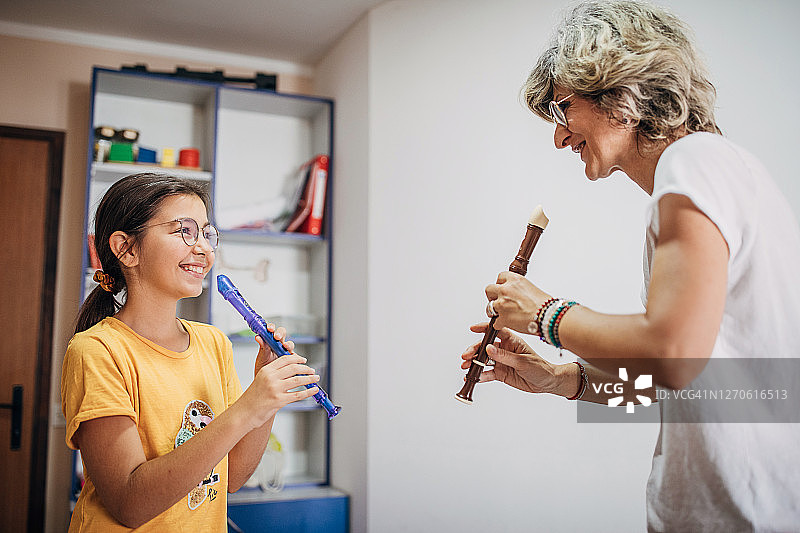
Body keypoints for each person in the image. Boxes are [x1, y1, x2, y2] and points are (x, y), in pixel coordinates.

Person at [460, 1, 800, 530]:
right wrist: (561, 380)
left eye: (562, 108)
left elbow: (673, 355)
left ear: (620, 91)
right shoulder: (726, 171)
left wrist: (545, 314)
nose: (558, 135)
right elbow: (709, 389)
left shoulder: (695, 163)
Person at [61, 173, 321, 531]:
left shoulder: (214, 343)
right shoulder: (97, 351)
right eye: (184, 230)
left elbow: (231, 478)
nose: (203, 248)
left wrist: (266, 398)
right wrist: (248, 408)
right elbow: (129, 504)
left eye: (206, 234)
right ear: (127, 248)